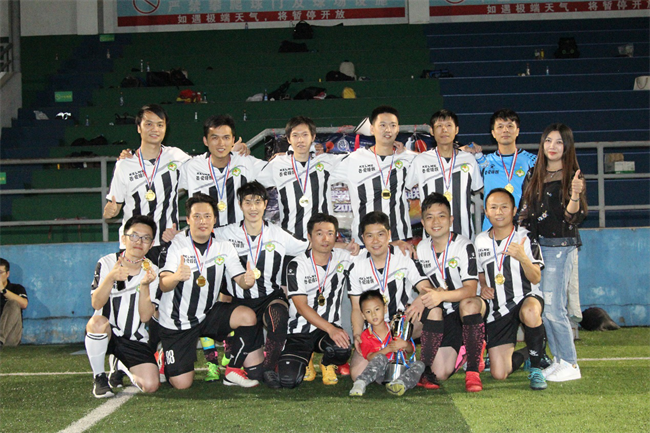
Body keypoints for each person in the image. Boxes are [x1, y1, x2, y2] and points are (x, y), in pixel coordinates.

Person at [157, 193, 259, 389]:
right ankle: (164, 357)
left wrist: (248, 281)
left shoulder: (224, 246)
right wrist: (176, 276)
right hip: (178, 321)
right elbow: (164, 284)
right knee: (182, 384)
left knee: (247, 316)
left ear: (214, 219)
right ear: (188, 219)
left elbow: (240, 279)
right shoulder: (176, 245)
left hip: (207, 313)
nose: (202, 221)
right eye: (196, 216)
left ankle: (232, 371)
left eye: (207, 216)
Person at [214, 181, 310, 388]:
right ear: (240, 205)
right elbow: (199, 235)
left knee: (278, 315)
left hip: (269, 298)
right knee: (253, 373)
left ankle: (269, 368)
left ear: (265, 204)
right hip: (240, 303)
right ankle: (247, 359)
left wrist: (346, 247)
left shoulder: (278, 234)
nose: (253, 207)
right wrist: (174, 235)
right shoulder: (225, 233)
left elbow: (309, 246)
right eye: (248, 202)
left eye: (258, 202)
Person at [520, 123, 586, 382]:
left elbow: (573, 217)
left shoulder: (573, 176)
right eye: (548, 140)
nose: (553, 146)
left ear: (567, 146)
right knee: (546, 307)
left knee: (554, 307)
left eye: (559, 142)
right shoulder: (534, 173)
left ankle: (570, 363)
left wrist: (575, 195)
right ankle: (558, 360)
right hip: (537, 247)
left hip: (560, 247)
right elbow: (525, 210)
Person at [464, 188, 547, 390]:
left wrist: (523, 257)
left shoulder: (526, 237)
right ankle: (528, 353)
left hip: (525, 296)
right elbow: (480, 272)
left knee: (530, 311)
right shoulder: (480, 240)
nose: (499, 212)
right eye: (493, 207)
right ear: (486, 211)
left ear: (514, 210)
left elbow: (536, 277)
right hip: (499, 307)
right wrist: (484, 286)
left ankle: (537, 368)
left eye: (504, 207)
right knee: (499, 374)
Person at [405, 193, 484, 392]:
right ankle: (462, 349)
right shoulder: (421, 249)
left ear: (451, 220)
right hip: (441, 313)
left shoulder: (464, 245)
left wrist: (440, 295)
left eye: (441, 216)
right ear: (423, 223)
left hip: (464, 309)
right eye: (430, 217)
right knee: (439, 372)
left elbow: (470, 290)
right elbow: (424, 287)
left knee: (469, 304)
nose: (436, 222)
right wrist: (424, 296)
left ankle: (472, 370)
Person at [348, 211, 435, 381]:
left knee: (433, 310)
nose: (375, 241)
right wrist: (358, 335)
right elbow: (357, 308)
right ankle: (391, 360)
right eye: (370, 236)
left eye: (380, 234)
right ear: (363, 238)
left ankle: (427, 366)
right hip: (375, 329)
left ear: (389, 234)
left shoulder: (403, 255)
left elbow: (427, 288)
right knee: (357, 375)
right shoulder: (356, 265)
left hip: (402, 324)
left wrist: (420, 299)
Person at [103, 104, 191, 263]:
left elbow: (206, 167)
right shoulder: (125, 164)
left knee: (168, 280)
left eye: (160, 125)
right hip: (134, 243)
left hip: (167, 241)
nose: (155, 129)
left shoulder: (177, 157)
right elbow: (113, 207)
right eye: (149, 124)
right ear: (139, 128)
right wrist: (110, 211)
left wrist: (233, 151)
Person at [84, 215, 160, 398]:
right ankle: (99, 377)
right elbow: (96, 303)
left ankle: (120, 364)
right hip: (108, 333)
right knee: (96, 323)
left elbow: (145, 317)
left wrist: (144, 285)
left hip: (134, 337)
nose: (139, 242)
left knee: (151, 385)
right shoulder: (107, 262)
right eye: (134, 236)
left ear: (151, 244)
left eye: (145, 238)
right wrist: (111, 277)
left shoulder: (153, 271)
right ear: (124, 238)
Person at [278, 213, 353, 388]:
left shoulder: (344, 258)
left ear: (336, 236)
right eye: (319, 233)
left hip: (326, 330)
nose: (325, 239)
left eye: (330, 233)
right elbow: (301, 306)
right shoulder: (296, 265)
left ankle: (327, 363)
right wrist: (332, 329)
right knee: (288, 381)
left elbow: (374, 252)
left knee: (342, 349)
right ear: (309, 236)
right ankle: (307, 358)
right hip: (300, 330)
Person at [331, 106, 416, 254]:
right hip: (364, 241)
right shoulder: (354, 160)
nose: (388, 130)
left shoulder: (408, 159)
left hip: (399, 240)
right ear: (372, 129)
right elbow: (319, 170)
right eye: (382, 125)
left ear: (398, 129)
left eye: (392, 125)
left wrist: (408, 152)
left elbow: (434, 160)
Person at [257, 116, 345, 241]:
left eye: (305, 135)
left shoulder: (326, 161)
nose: (300, 140)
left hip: (321, 241)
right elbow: (251, 180)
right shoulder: (278, 164)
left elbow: (357, 159)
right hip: (289, 239)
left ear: (313, 137)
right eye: (295, 135)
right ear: (288, 139)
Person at [406, 109, 483, 239]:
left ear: (456, 130)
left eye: (448, 125)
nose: (444, 130)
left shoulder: (469, 159)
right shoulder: (420, 161)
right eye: (439, 126)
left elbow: (480, 188)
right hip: (431, 237)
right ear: (432, 131)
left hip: (464, 235)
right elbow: (404, 189)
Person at [180, 114, 265, 228]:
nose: (221, 143)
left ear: (233, 140)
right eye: (215, 138)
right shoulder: (192, 167)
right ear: (205, 141)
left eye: (226, 138)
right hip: (205, 235)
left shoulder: (245, 162)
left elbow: (276, 170)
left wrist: (285, 155)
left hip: (237, 235)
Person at [462, 109, 537, 230]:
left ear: (517, 131)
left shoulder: (532, 161)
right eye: (500, 127)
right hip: (491, 229)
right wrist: (464, 149)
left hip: (523, 229)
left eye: (510, 126)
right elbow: (452, 160)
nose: (505, 130)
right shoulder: (484, 162)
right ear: (493, 133)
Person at [349, 290, 424, 396]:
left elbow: (410, 350)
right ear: (363, 316)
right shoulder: (365, 336)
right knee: (381, 358)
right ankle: (360, 383)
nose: (373, 314)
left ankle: (400, 384)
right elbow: (370, 357)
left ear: (385, 309)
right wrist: (388, 349)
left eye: (377, 309)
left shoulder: (395, 329)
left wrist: (405, 344)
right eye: (368, 312)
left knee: (419, 364)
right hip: (382, 373)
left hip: (400, 369)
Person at [0, 258, 28, 348]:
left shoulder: (16, 288)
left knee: (13, 303)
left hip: (10, 336)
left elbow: (24, 304)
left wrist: (3, 290)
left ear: (7, 274)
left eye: (0, 273)